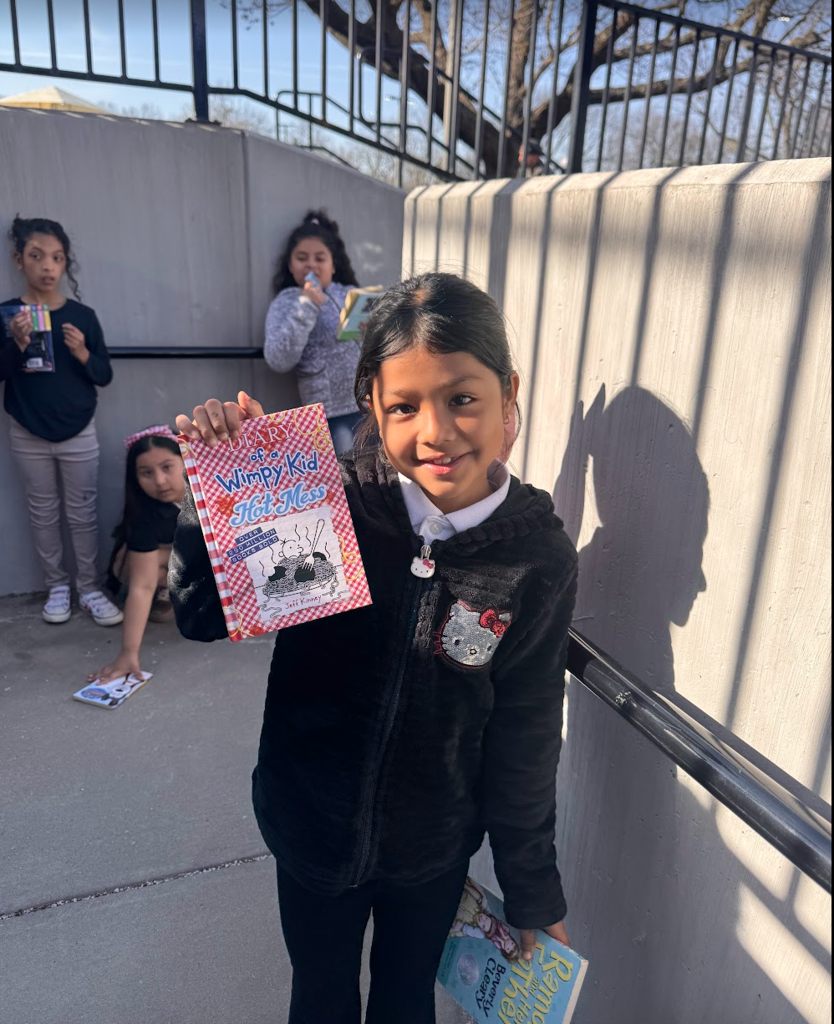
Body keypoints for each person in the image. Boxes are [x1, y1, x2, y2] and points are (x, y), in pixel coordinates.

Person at [170, 272, 578, 1024]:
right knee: (319, 998)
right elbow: (198, 618)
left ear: (508, 393)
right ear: (371, 404)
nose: (436, 432)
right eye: (404, 406)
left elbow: (525, 733)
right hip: (312, 829)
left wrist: (532, 893)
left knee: (402, 1005)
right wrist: (219, 498)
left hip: (431, 851)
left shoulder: (536, 559)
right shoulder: (323, 500)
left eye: (462, 398)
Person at [1, 215, 122, 627]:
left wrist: (84, 353)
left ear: (65, 263)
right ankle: (56, 586)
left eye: (56, 258)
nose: (48, 266)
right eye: (37, 256)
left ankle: (88, 588)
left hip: (78, 428)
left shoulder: (82, 317)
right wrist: (17, 345)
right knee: (42, 511)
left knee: (83, 512)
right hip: (27, 428)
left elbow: (104, 374)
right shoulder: (8, 315)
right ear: (20, 260)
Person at [89, 426, 186, 684]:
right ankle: (164, 592)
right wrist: (128, 653)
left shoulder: (214, 494)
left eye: (167, 467)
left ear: (186, 460)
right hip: (145, 570)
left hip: (194, 563)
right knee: (150, 565)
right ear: (135, 478)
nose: (160, 481)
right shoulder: (144, 516)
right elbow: (141, 586)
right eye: (147, 473)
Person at [264, 209, 362, 455]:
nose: (311, 264)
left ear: (333, 264)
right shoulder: (288, 301)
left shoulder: (350, 294)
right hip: (330, 413)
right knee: (348, 481)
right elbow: (278, 358)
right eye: (302, 258)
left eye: (320, 258)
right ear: (290, 264)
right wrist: (307, 305)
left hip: (369, 403)